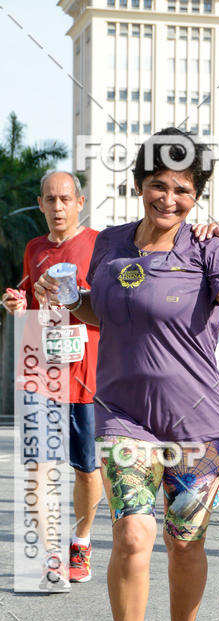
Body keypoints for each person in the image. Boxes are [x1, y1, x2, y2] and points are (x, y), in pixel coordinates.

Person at [34, 128, 219, 621]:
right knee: (133, 534)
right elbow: (94, 309)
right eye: (160, 186)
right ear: (139, 185)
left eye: (184, 190)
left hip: (200, 423)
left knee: (185, 543)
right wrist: (66, 297)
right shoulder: (106, 245)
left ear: (196, 196)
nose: (170, 199)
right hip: (125, 415)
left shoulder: (207, 247)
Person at [2, 171, 103, 589]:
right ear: (40, 204)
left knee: (85, 468)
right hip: (42, 371)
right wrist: (16, 302)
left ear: (80, 203)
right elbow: (28, 294)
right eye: (50, 200)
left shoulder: (100, 245)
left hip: (87, 373)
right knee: (39, 465)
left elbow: (112, 301)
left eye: (65, 199)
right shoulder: (34, 248)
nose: (58, 207)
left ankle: (80, 540)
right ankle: (51, 555)